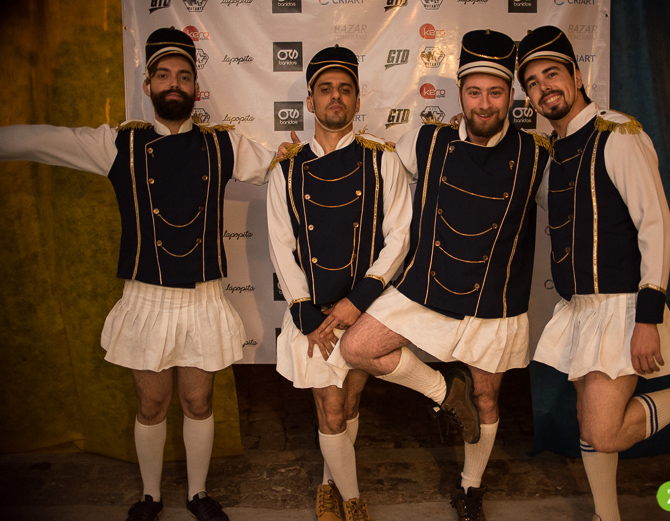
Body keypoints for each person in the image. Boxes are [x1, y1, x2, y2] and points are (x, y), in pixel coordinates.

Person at [0, 27, 275, 521]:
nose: (174, 84)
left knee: (198, 403)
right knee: (152, 406)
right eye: (163, 75)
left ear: (196, 88)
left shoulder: (225, 146)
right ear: (148, 85)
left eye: (184, 76)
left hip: (204, 298)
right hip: (147, 298)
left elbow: (290, 168)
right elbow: (42, 142)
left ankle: (197, 494)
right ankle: (149, 496)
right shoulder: (118, 145)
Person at [515, 25, 670, 521]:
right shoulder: (555, 150)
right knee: (590, 423)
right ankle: (606, 516)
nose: (544, 87)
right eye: (532, 82)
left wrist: (648, 317)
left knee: (603, 430)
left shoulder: (617, 135)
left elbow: (657, 224)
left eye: (551, 74)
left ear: (576, 75)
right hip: (580, 309)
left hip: (623, 307)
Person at [336, 29, 550, 521]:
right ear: (460, 94)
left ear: (511, 96)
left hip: (494, 299)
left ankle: (470, 487)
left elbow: (571, 214)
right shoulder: (426, 140)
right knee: (357, 348)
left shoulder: (538, 155)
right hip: (425, 287)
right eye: (474, 92)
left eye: (495, 92)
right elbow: (377, 176)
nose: (484, 104)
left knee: (487, 397)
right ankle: (443, 392)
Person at [268, 45, 412, 521]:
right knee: (330, 409)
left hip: (364, 310)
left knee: (348, 405)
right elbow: (280, 244)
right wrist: (306, 315)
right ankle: (354, 504)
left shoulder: (382, 160)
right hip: (315, 315)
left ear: (356, 100)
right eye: (326, 89)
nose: (336, 97)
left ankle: (329, 484)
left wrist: (359, 300)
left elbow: (400, 237)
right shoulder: (286, 169)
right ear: (310, 101)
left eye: (345, 89)